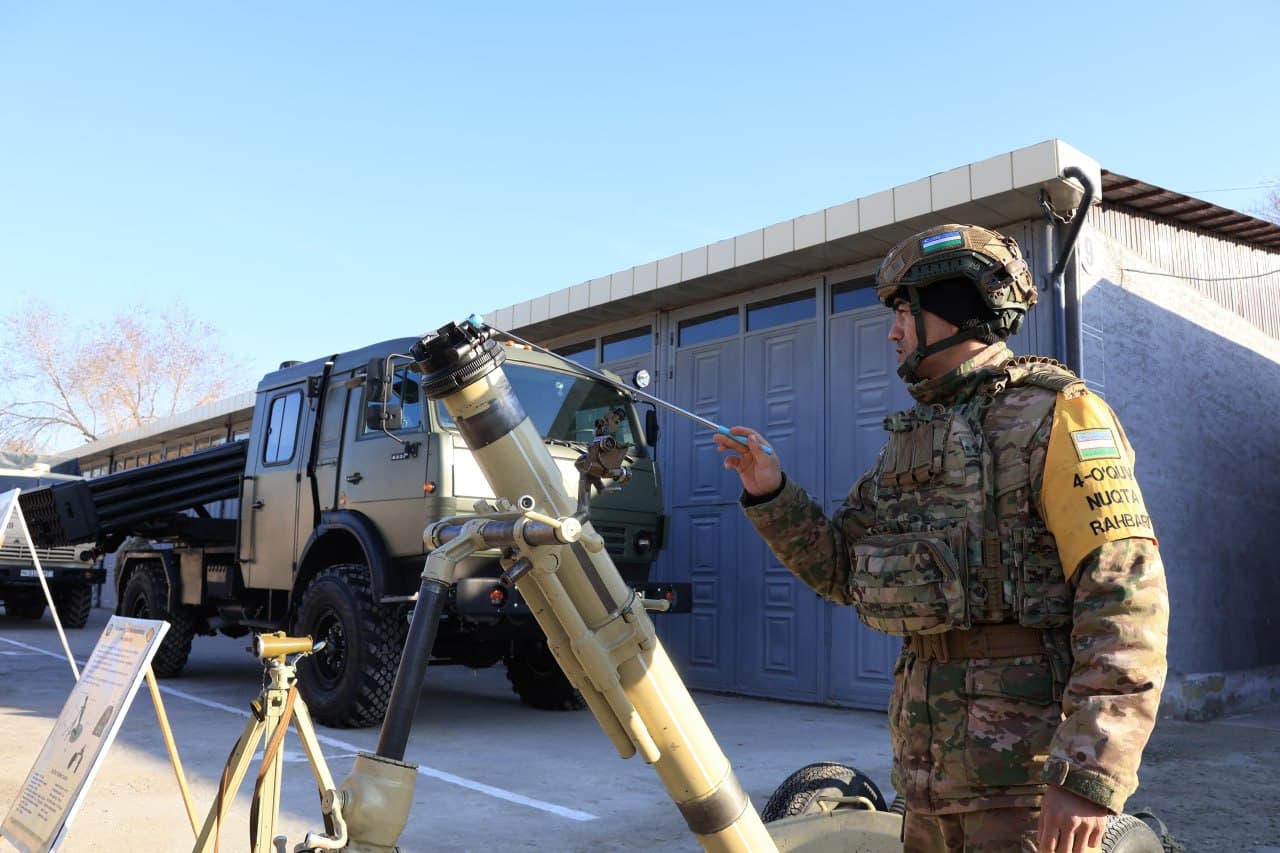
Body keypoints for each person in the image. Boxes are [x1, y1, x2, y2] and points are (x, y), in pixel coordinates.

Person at [714, 224, 1169, 853]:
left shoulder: (1059, 415)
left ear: (957, 310)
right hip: (925, 775)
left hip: (1024, 783)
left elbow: (1125, 598)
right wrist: (770, 492)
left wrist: (1089, 774)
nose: (894, 331)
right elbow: (840, 568)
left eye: (905, 311)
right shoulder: (915, 438)